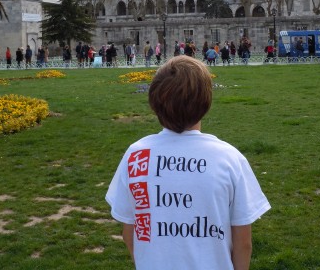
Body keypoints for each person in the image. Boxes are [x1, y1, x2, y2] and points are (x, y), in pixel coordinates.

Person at [106, 57, 271, 270]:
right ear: (206, 103)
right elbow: (243, 243)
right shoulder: (229, 158)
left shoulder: (136, 155)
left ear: (154, 103)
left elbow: (129, 232)